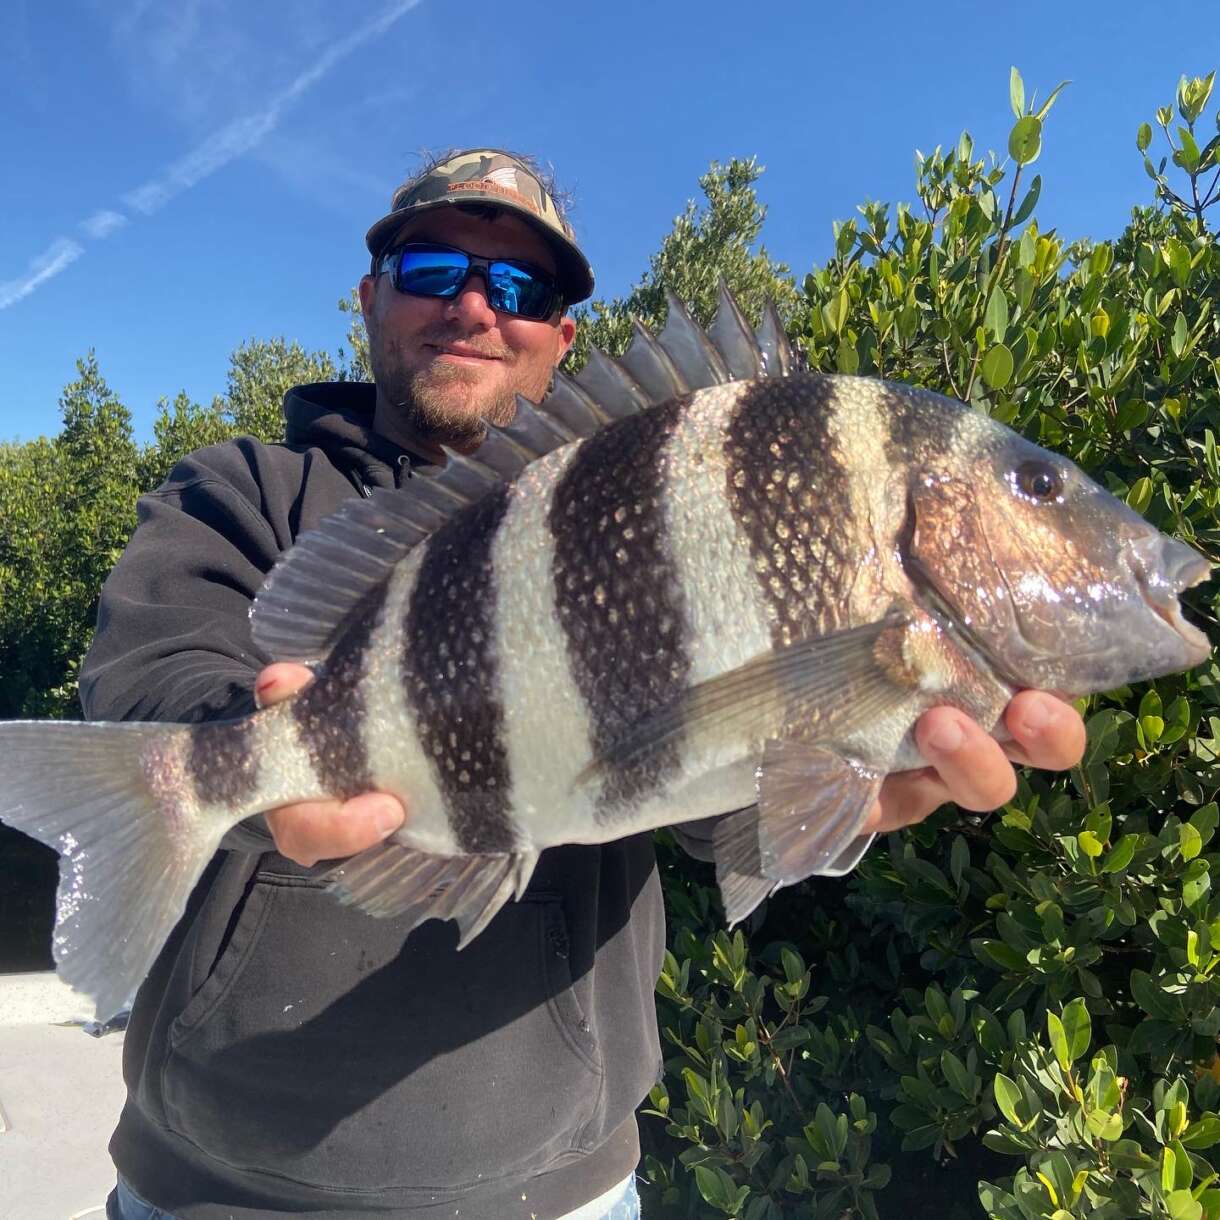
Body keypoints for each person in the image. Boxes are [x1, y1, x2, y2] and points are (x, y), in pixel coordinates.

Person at [83, 150, 1086, 1220]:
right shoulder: (244, 491)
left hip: (563, 1193)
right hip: (213, 1194)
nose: (475, 305)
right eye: (433, 267)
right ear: (370, 296)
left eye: (522, 288)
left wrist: (833, 798)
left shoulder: (638, 500)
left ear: (561, 338)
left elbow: (705, 808)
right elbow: (151, 678)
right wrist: (250, 754)